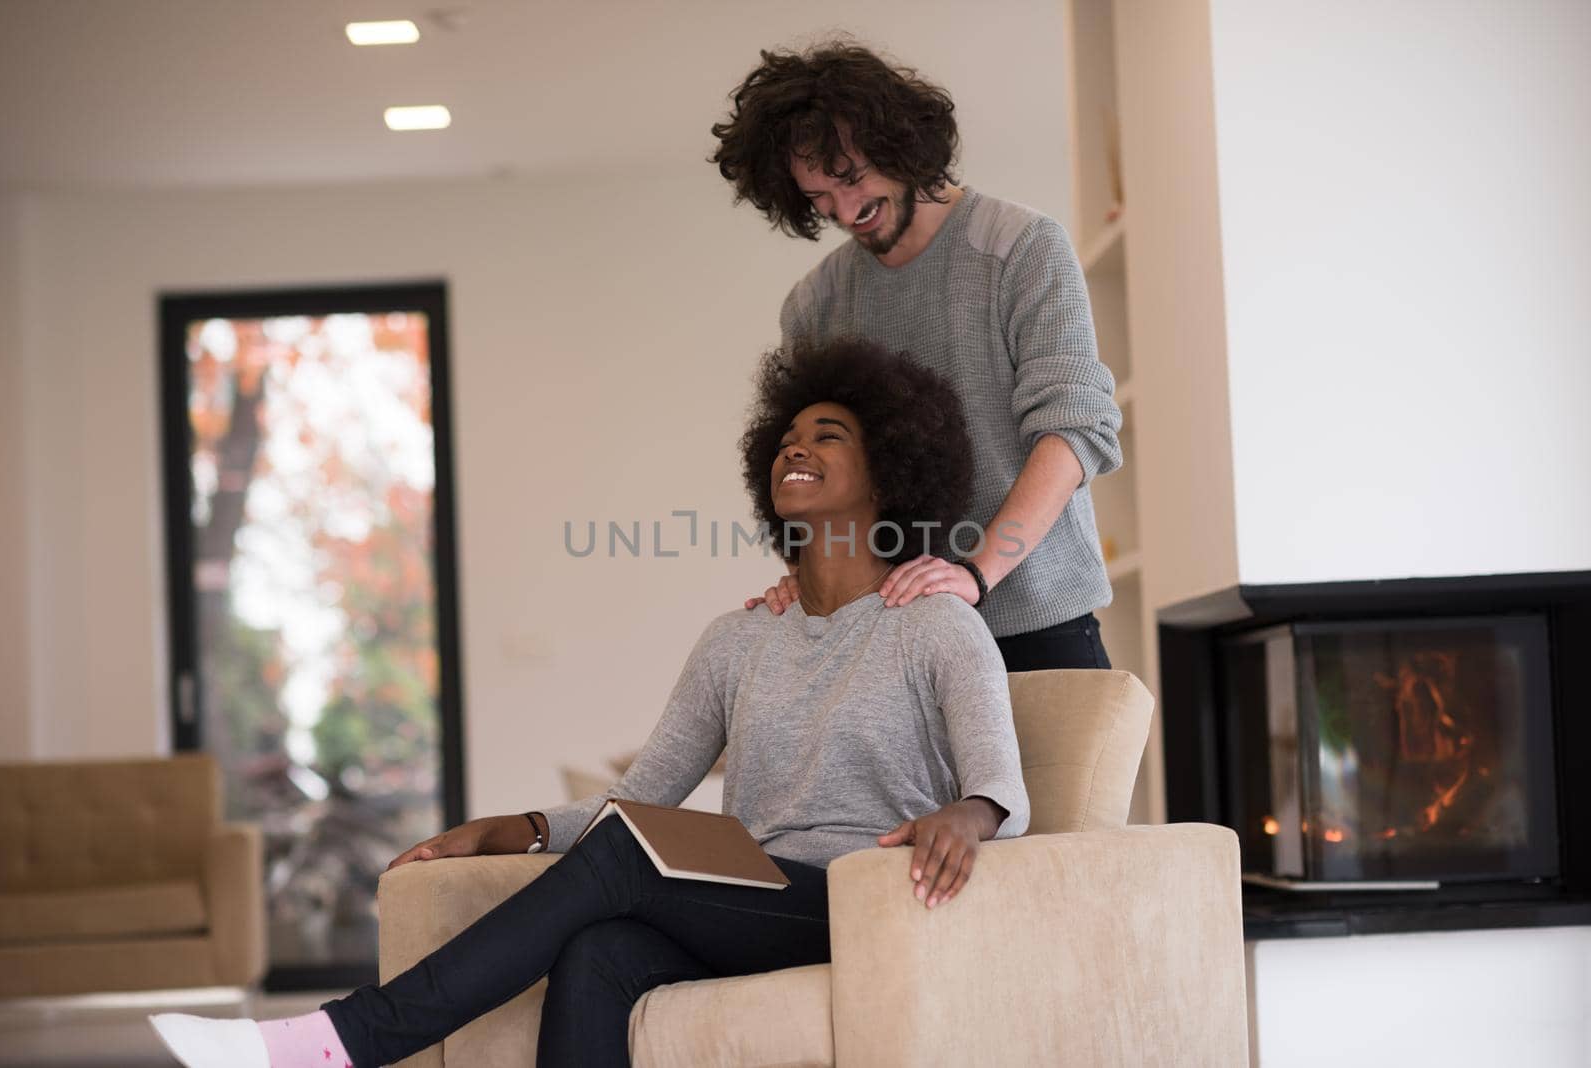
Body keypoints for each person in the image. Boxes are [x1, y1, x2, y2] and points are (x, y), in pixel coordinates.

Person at [147, 339, 1030, 1068]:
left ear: (892, 472)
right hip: (753, 899)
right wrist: (521, 827)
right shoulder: (739, 638)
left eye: (828, 435)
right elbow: (644, 800)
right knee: (598, 953)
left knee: (623, 863)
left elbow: (1001, 790)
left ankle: (342, 1039)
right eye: (787, 435)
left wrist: (968, 811)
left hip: (859, 902)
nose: (794, 448)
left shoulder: (935, 625)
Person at [711, 41, 1124, 671]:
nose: (845, 210)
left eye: (852, 178)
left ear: (900, 139)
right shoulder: (815, 305)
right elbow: (810, 472)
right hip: (890, 638)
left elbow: (1073, 430)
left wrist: (975, 575)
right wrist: (806, 574)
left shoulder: (1021, 248)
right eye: (819, 197)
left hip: (1036, 626)